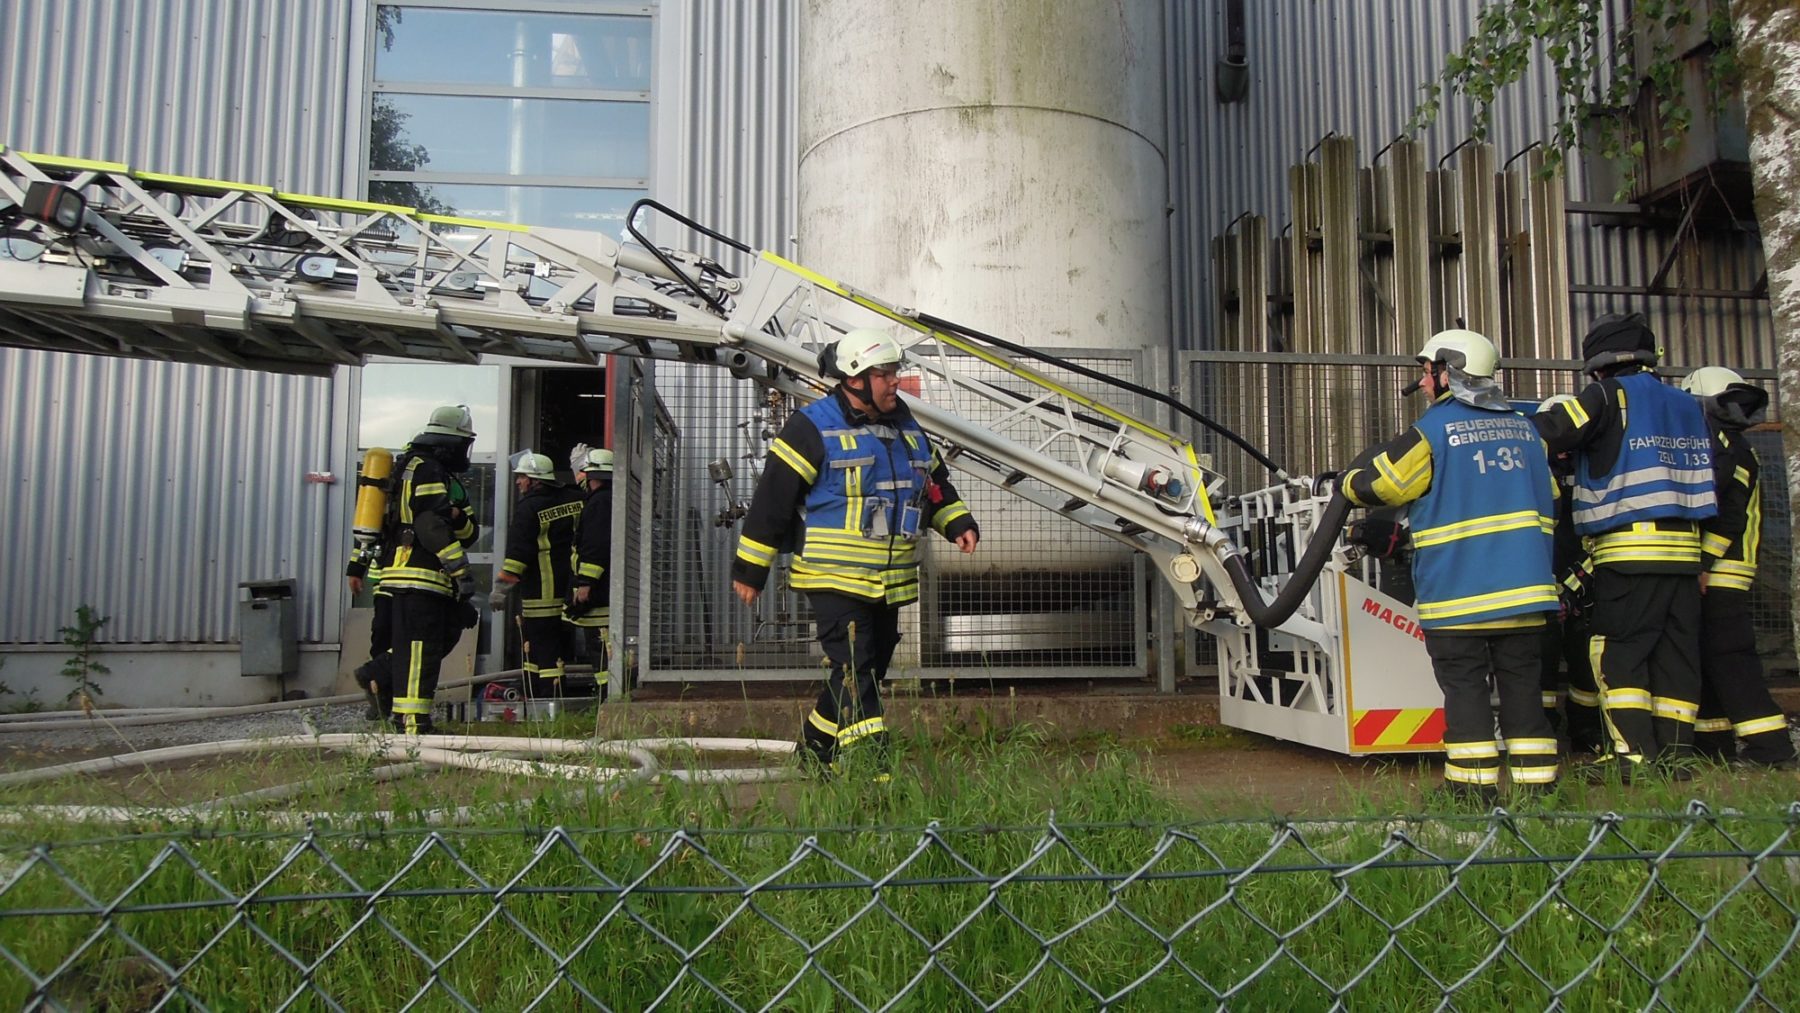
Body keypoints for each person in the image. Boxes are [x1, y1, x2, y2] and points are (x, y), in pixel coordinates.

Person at [731, 328, 979, 776]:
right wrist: (751, 569)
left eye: (894, 372)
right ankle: (874, 776)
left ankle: (814, 755)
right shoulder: (811, 426)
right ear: (854, 378)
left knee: (866, 670)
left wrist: (957, 523)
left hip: (888, 581)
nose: (894, 381)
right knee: (855, 671)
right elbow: (772, 500)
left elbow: (932, 483)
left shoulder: (907, 427)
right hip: (833, 577)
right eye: (884, 374)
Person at [1339, 329, 1561, 804]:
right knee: (1523, 688)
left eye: (1427, 372)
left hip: (1460, 594)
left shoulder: (1435, 430)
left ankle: (1472, 789)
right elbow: (1551, 498)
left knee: (1466, 689)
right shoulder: (1527, 431)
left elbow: (1383, 486)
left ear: (1450, 373)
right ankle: (1538, 789)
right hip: (1526, 594)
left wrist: (1347, 482)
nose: (1423, 383)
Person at [1533, 313, 1717, 780]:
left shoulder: (1608, 395)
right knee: (1675, 657)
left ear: (1598, 365)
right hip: (1685, 553)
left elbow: (1556, 430)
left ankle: (1632, 757)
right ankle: (1675, 757)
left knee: (1616, 653)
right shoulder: (1687, 404)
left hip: (1630, 551)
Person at [1680, 366, 1796, 768]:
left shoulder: (1728, 449)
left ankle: (1772, 748)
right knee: (1709, 656)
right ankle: (1713, 744)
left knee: (1730, 658)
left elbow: (1728, 518)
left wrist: (1703, 563)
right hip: (1726, 570)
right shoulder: (1734, 445)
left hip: (1720, 572)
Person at [378, 404, 481, 735]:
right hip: (421, 575)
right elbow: (429, 524)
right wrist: (461, 571)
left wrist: (457, 517)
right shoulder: (430, 470)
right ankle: (413, 723)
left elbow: (467, 531)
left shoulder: (409, 466)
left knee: (422, 645)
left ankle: (387, 690)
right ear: (448, 444)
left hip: (404, 573)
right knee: (420, 650)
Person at [348, 464, 479, 721]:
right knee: (409, 642)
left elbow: (468, 532)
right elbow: (371, 530)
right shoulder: (430, 478)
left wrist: (356, 567)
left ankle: (381, 687)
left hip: (398, 579)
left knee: (406, 642)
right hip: (415, 579)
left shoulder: (401, 482)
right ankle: (384, 694)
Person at [1536, 394, 1605, 756]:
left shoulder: (1595, 476)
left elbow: (1600, 537)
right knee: (1540, 660)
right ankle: (1543, 728)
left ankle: (1586, 729)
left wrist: (1574, 585)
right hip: (1540, 585)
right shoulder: (1532, 475)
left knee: (1585, 661)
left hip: (1585, 585)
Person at [490, 451, 583, 701]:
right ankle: (533, 695)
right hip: (571, 586)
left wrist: (500, 589)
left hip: (541, 589)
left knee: (542, 647)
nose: (518, 482)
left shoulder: (529, 508)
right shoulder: (575, 499)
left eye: (522, 477)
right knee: (548, 645)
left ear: (535, 480)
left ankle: (547, 701)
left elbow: (517, 553)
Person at [565, 445, 615, 698]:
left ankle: (608, 699)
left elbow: (595, 546)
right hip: (604, 589)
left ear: (593, 476)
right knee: (604, 649)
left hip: (598, 592)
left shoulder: (599, 503)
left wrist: (585, 583)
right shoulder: (608, 500)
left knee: (600, 650)